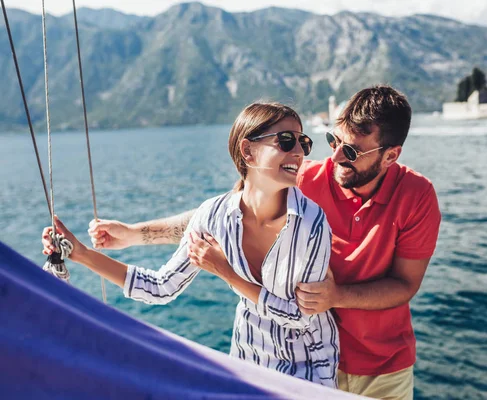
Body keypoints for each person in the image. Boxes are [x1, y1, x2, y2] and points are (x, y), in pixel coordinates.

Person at [88, 85, 441, 399]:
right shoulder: (305, 177)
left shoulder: (417, 196)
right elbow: (222, 215)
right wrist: (136, 233)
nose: (333, 157)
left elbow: (405, 284)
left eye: (351, 151)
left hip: (383, 367)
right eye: (332, 141)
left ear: (390, 155)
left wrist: (338, 297)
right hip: (312, 365)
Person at [42, 102, 340, 388]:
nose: (300, 152)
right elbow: (160, 287)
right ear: (247, 151)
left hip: (311, 368)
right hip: (250, 361)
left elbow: (301, 318)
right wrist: (81, 253)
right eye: (286, 140)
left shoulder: (311, 223)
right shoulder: (213, 216)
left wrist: (227, 273)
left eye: (303, 142)